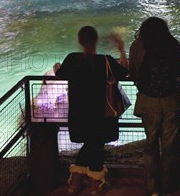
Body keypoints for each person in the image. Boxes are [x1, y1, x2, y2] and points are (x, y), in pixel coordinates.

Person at [54, 26, 128, 196]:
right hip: (102, 114)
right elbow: (124, 72)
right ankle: (96, 183)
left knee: (92, 143)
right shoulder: (106, 61)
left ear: (80, 41)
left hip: (79, 114)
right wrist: (122, 50)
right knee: (96, 144)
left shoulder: (72, 59)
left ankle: (75, 182)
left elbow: (60, 74)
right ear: (96, 41)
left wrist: (57, 67)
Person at [129, 17, 180, 195]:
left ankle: (153, 187)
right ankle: (169, 185)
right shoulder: (173, 43)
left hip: (148, 102)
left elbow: (134, 72)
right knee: (170, 146)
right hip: (172, 102)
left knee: (151, 144)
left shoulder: (137, 46)